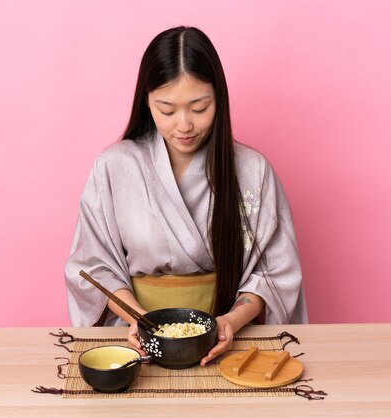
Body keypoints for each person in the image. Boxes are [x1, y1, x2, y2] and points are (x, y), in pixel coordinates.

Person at [65, 26, 307, 366]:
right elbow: (93, 267)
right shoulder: (113, 166)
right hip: (137, 340)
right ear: (146, 101)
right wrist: (142, 321)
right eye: (166, 110)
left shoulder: (253, 170)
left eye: (199, 107)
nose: (184, 125)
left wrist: (229, 322)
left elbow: (274, 273)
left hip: (226, 341)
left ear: (218, 99)